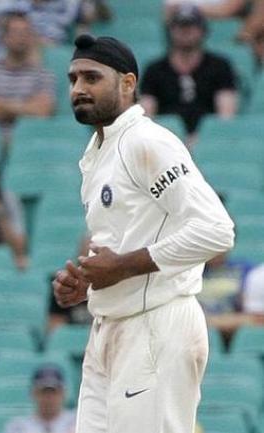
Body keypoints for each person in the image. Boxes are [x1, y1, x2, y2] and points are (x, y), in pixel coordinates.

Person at [54, 34, 235, 433]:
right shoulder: (96, 154)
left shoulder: (146, 141)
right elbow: (127, 242)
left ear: (128, 83)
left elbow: (217, 231)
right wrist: (89, 283)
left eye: (91, 78)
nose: (79, 89)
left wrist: (121, 268)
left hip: (156, 328)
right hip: (109, 329)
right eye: (73, 80)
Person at [140, 3, 239, 139]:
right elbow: (147, 116)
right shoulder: (154, 70)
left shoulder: (220, 66)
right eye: (180, 25)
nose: (186, 31)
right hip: (165, 141)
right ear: (170, 30)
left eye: (192, 25)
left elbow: (226, 116)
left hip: (209, 141)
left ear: (203, 30)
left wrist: (201, 140)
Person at [0, 11, 56, 156]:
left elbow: (43, 112)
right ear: (3, 37)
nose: (22, 37)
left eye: (26, 32)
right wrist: (25, 107)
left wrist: (0, 106)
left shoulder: (43, 75)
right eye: (16, 32)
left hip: (30, 142)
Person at [2, 364, 76, 433]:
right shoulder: (18, 427)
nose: (49, 397)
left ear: (64, 393)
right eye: (44, 392)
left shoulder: (76, 422)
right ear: (33, 393)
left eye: (53, 392)